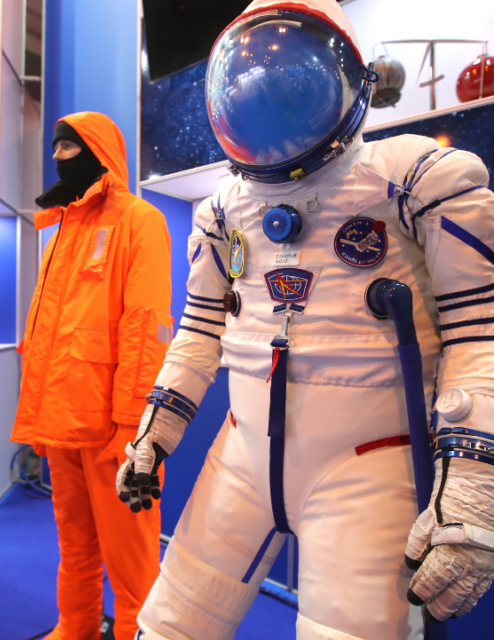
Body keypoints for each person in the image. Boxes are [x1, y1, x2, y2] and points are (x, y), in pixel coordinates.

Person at [116, 1, 494, 638]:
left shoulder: (416, 180)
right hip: (241, 455)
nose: (267, 91)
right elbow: (199, 333)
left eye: (291, 75)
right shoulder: (223, 210)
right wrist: (154, 434)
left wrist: (472, 485)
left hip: (370, 463)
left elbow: (479, 333)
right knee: (167, 626)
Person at [11, 112, 172, 640]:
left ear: (99, 152)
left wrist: (135, 425)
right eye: (54, 147)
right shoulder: (60, 227)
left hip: (113, 430)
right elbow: (50, 330)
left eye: (69, 146)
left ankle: (135, 633)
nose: (58, 156)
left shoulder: (138, 219)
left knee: (131, 557)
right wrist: (37, 416)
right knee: (74, 542)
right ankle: (75, 625)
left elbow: (146, 327)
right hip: (61, 421)